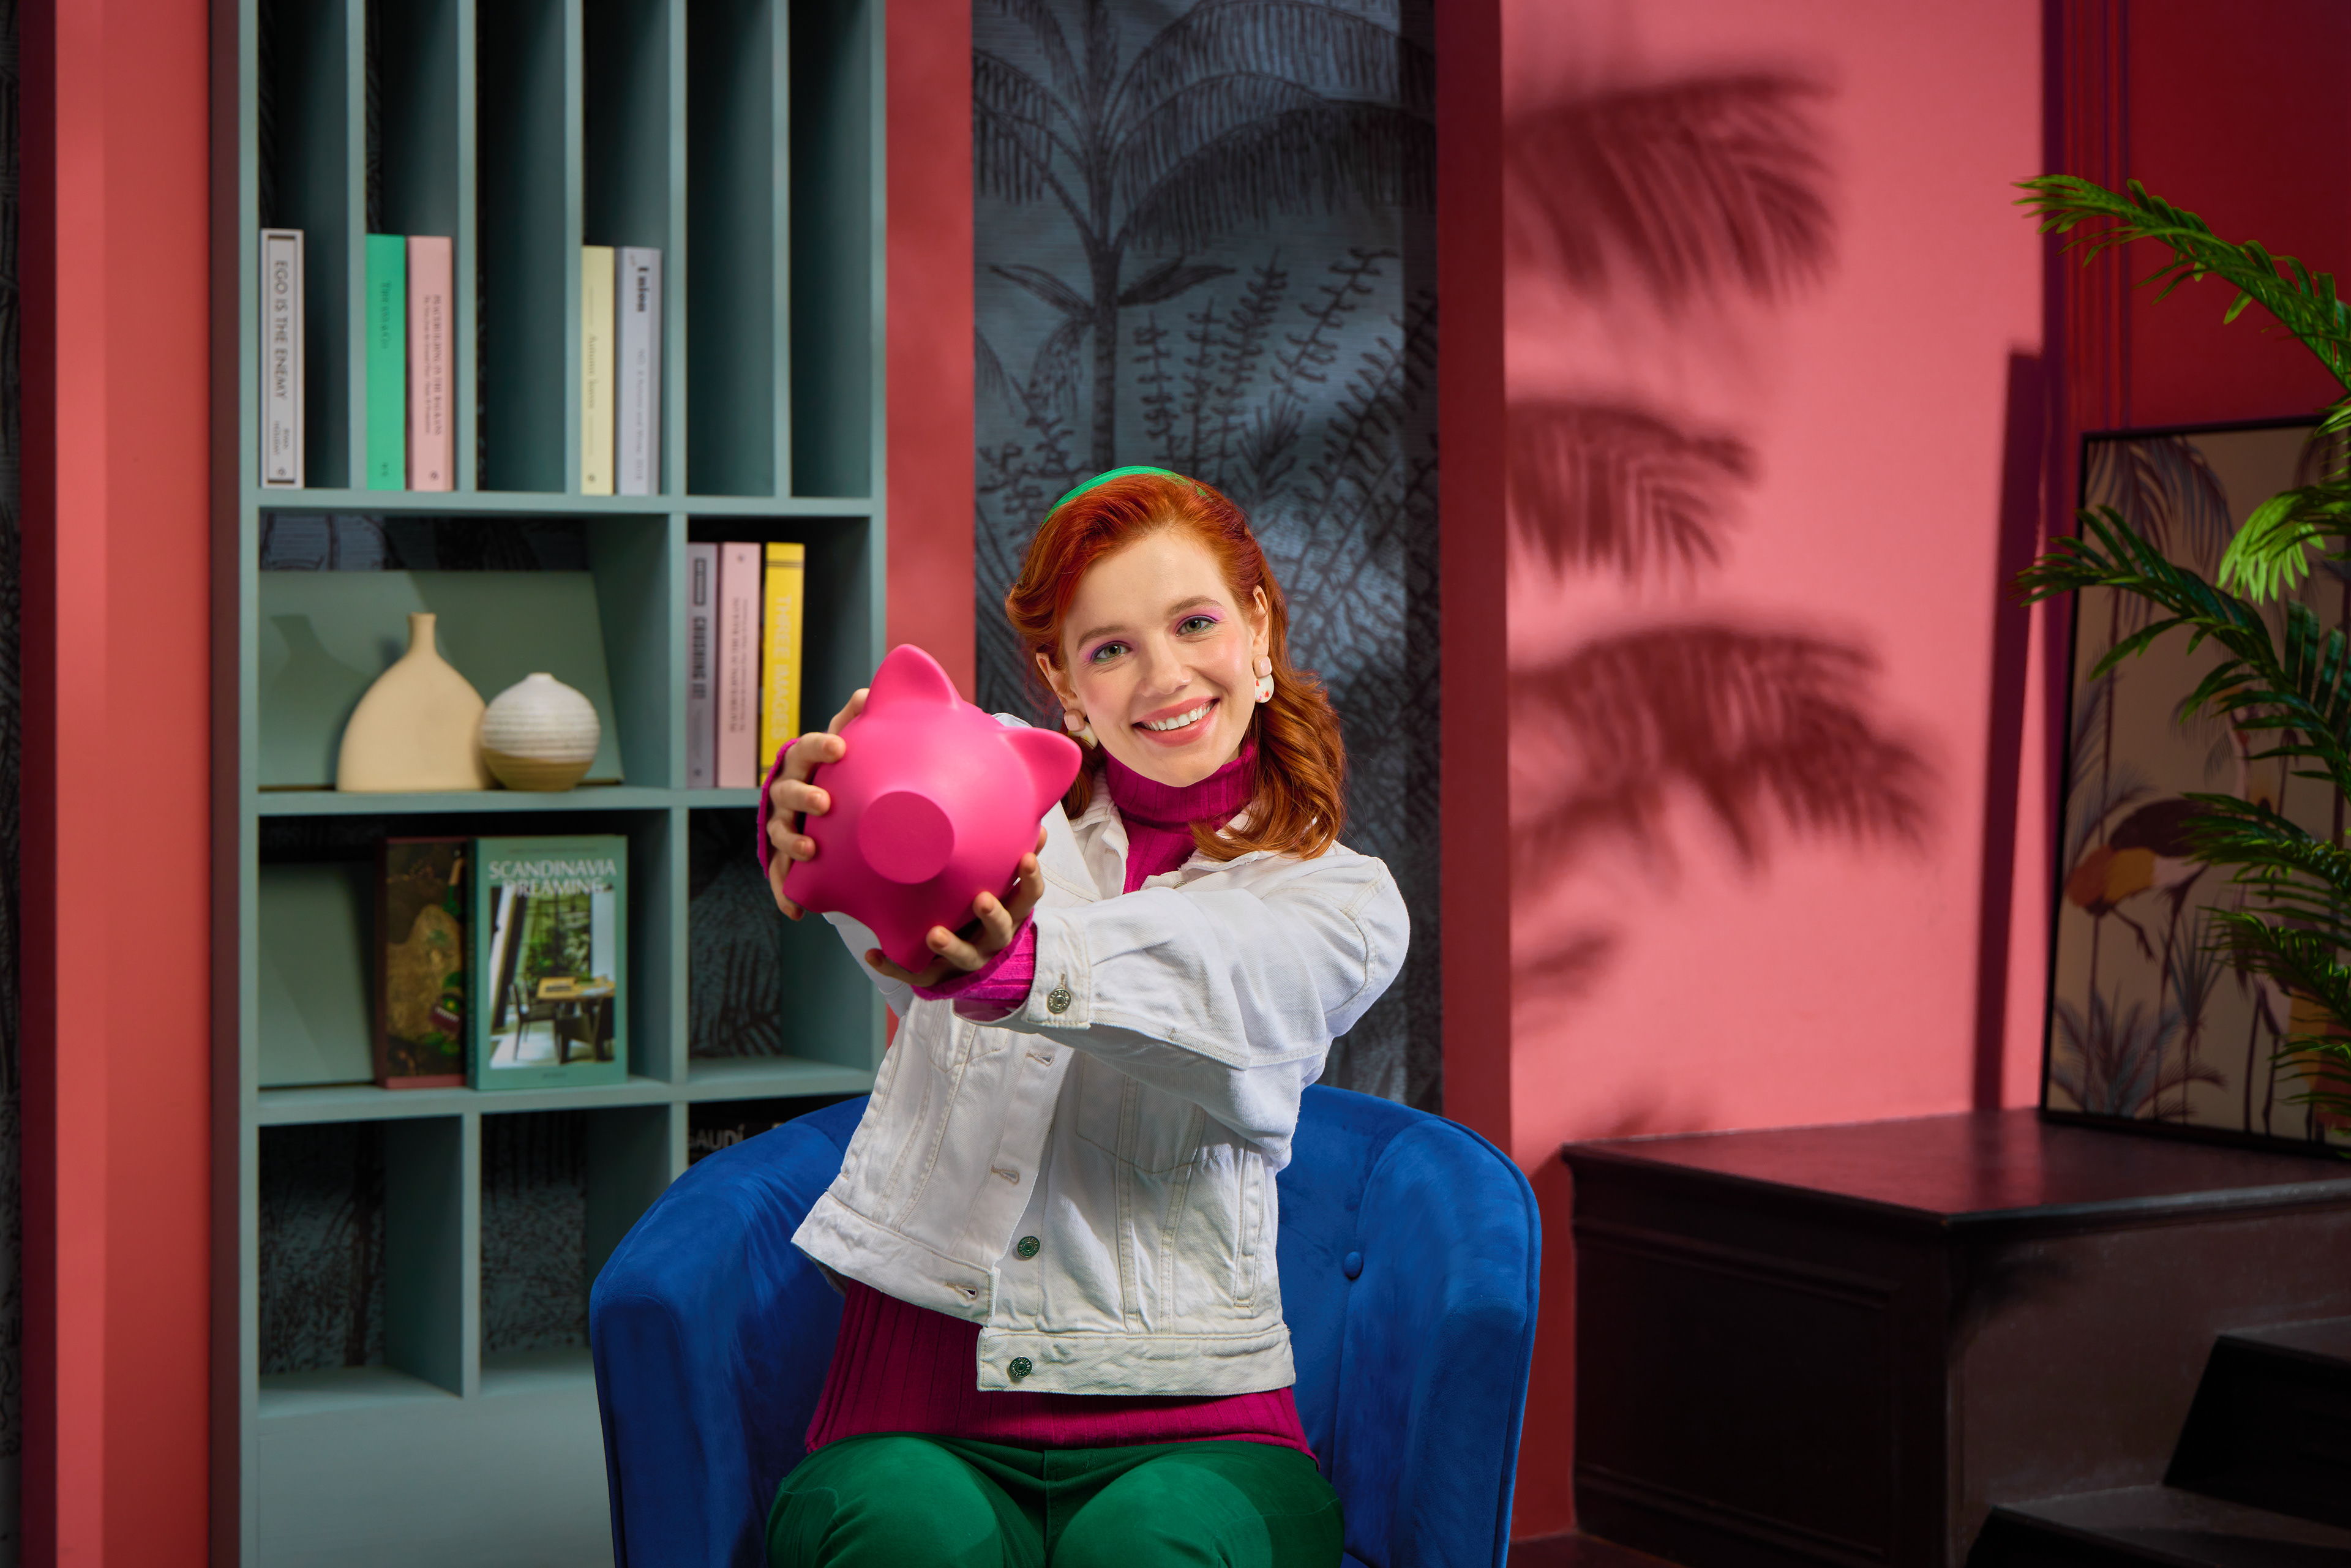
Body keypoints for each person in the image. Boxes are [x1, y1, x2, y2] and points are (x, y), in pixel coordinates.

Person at [758, 467, 1408, 1567]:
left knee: (1149, 1549)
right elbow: (878, 853)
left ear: (1257, 627)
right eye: (1111, 648)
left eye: (1194, 623)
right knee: (905, 1536)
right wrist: (813, 810)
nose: (1165, 677)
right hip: (914, 1415)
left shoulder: (1341, 901)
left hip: (1198, 1430)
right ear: (1064, 682)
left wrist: (1019, 965)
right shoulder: (989, 793)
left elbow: (1219, 975)